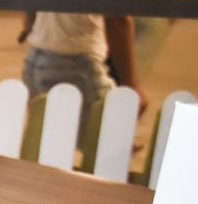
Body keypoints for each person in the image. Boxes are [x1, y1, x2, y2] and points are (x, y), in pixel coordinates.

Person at [21, 11, 144, 153]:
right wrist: (131, 85)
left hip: (36, 59)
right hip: (78, 60)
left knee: (51, 149)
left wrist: (30, 27)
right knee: (112, 151)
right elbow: (117, 17)